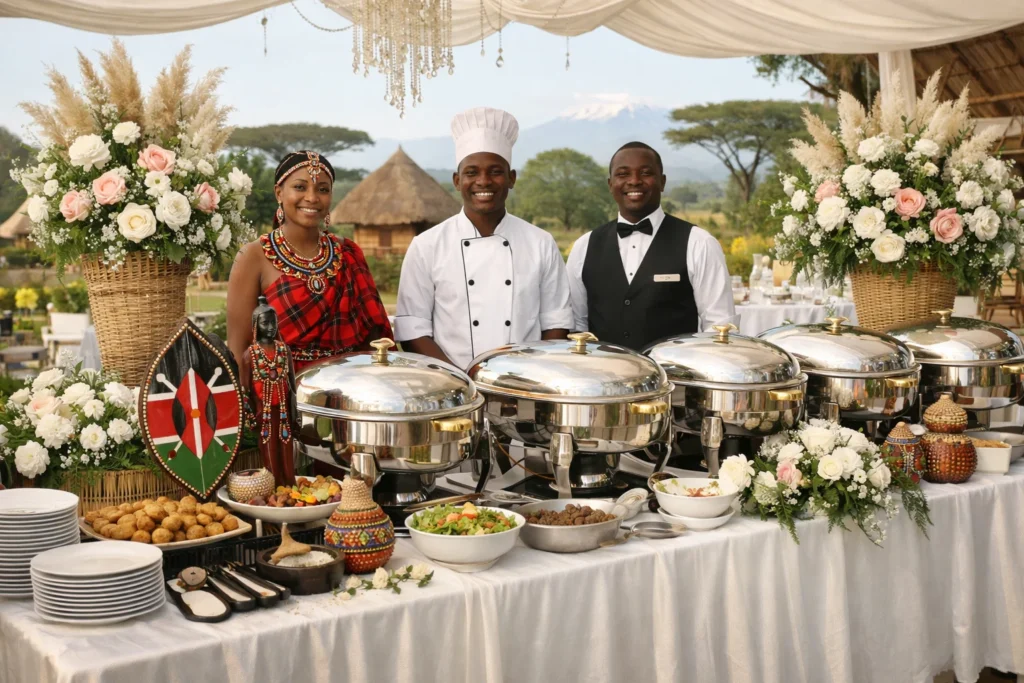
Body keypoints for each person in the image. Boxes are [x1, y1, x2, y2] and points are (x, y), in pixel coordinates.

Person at [395, 107, 573, 369]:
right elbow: (413, 330)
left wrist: (526, 379)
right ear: (457, 180)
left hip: (525, 390)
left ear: (511, 179)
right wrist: (463, 381)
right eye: (471, 172)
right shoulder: (427, 245)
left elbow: (556, 323)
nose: (483, 181)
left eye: (495, 171)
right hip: (453, 390)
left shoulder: (541, 243)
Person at [227, 150, 393, 379]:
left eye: (322, 190)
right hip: (279, 398)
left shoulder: (349, 254)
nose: (312, 198)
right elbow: (239, 350)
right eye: (300, 187)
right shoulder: (253, 257)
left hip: (346, 391)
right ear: (279, 193)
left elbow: (374, 336)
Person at [566, 141, 735, 351]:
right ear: (610, 184)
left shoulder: (699, 243)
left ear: (662, 182)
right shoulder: (584, 246)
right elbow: (576, 325)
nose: (634, 181)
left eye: (645, 173)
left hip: (677, 380)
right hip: (606, 378)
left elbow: (720, 328)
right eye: (623, 174)